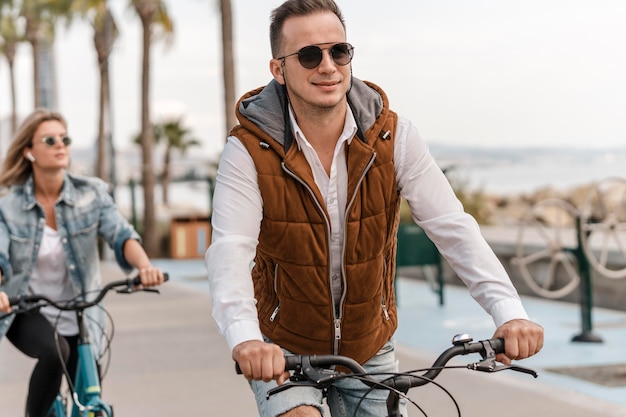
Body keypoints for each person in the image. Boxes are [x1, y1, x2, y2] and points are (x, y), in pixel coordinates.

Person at [205, 1, 544, 416]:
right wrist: (246, 339)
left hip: (369, 345)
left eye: (339, 51)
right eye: (310, 55)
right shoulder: (248, 151)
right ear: (279, 69)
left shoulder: (394, 137)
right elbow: (230, 250)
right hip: (283, 349)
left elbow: (452, 227)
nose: (328, 66)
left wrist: (509, 313)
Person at [0, 109, 165, 417]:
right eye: (49, 140)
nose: (60, 145)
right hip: (27, 309)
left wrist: (144, 267)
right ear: (29, 151)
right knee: (54, 352)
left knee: (88, 395)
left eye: (65, 138)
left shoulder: (92, 194)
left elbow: (121, 234)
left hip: (83, 313)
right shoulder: (8, 205)